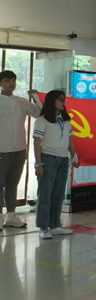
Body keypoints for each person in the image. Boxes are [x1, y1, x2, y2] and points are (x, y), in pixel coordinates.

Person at [32, 90, 79, 239]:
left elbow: (70, 140)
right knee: (45, 194)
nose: (63, 102)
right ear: (52, 101)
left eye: (64, 99)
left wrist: (74, 156)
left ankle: (55, 225)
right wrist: (38, 164)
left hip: (63, 159)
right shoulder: (42, 121)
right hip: (48, 158)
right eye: (60, 99)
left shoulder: (65, 120)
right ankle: (43, 227)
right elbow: (36, 143)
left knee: (58, 194)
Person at [0, 70, 41, 230]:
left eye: (13, 80)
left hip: (20, 148)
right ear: (1, 83)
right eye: (7, 80)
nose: (11, 83)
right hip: (2, 149)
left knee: (13, 183)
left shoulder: (21, 101)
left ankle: (11, 216)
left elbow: (40, 113)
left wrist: (35, 97)